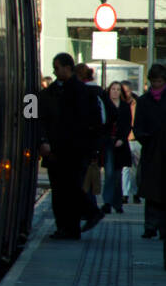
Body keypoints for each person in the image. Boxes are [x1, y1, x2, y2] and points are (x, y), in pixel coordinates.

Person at [38, 53, 103, 239]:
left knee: (70, 189)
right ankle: (66, 227)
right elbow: (33, 117)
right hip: (56, 150)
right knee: (60, 191)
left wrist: (91, 148)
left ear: (68, 68)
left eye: (57, 67)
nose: (54, 71)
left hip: (73, 151)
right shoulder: (46, 93)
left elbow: (94, 123)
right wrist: (42, 141)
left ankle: (81, 219)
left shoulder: (82, 92)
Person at [132, 63, 166, 241]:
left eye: (159, 81)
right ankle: (150, 226)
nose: (156, 85)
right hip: (151, 150)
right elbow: (137, 126)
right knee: (152, 192)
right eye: (154, 81)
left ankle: (162, 227)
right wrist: (144, 137)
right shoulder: (144, 101)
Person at [75, 64, 108, 222]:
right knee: (85, 177)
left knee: (81, 179)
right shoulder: (99, 92)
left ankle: (91, 211)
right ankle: (90, 210)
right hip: (96, 142)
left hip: (85, 143)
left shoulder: (84, 92)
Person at [102, 80, 132, 214]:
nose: (115, 91)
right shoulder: (105, 105)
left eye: (118, 89)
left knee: (117, 175)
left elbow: (127, 124)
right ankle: (107, 202)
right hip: (108, 142)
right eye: (113, 89)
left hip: (120, 144)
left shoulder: (125, 107)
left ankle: (117, 203)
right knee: (108, 174)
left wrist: (122, 138)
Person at [121, 82, 142, 203]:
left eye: (126, 91)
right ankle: (125, 194)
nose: (125, 94)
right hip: (125, 139)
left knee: (137, 168)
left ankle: (136, 192)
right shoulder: (121, 104)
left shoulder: (138, 103)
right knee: (126, 168)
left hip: (137, 139)